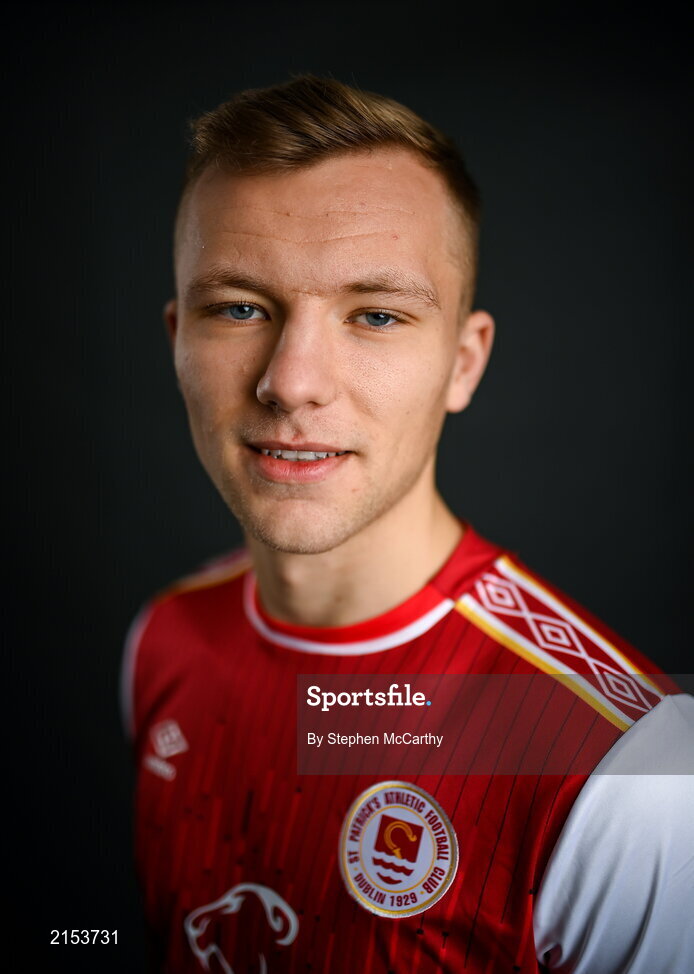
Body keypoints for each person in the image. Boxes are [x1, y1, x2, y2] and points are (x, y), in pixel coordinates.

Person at [122, 75, 693, 973]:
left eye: (376, 315)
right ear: (176, 340)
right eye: (239, 308)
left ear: (462, 365)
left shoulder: (636, 778)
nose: (292, 381)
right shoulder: (163, 638)